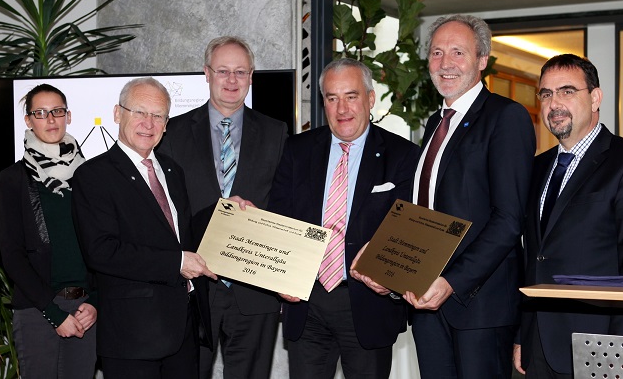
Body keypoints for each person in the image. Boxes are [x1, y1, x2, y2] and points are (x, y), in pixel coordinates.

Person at [268, 58, 420, 379]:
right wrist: (279, 275)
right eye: (332, 98)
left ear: (370, 98)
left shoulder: (403, 155)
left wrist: (391, 277)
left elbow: (409, 231)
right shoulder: (296, 149)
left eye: (351, 96)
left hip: (367, 304)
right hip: (306, 303)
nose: (342, 108)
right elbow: (279, 217)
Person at [403, 14, 536, 378]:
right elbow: (426, 210)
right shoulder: (435, 123)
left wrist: (451, 282)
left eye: (458, 52)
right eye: (437, 52)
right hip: (426, 304)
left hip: (479, 308)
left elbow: (508, 221)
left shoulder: (506, 118)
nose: (445, 63)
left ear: (481, 61)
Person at [157, 35, 287, 379]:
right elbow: (165, 209)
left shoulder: (276, 132)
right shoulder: (174, 133)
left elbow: (285, 204)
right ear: (207, 73)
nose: (232, 81)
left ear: (251, 76)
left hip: (256, 289)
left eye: (240, 72)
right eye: (223, 71)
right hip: (195, 288)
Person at [513, 54, 623, 378]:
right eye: (546, 94)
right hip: (538, 346)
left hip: (600, 348)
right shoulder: (535, 167)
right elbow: (533, 257)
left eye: (567, 91)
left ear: (595, 97)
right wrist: (522, 334)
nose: (554, 103)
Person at [71, 77, 215, 379]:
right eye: (139, 112)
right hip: (132, 338)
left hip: (184, 330)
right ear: (117, 114)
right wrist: (177, 263)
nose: (148, 123)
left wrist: (227, 213)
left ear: (166, 124)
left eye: (158, 115)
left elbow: (179, 232)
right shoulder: (93, 175)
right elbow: (101, 251)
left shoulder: (173, 171)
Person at [0, 84, 97, 378]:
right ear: (28, 120)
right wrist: (54, 314)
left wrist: (95, 303)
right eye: (40, 113)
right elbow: (12, 256)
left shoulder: (88, 175)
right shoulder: (12, 179)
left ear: (68, 116)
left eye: (57, 111)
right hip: (38, 309)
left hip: (84, 310)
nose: (50, 119)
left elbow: (101, 245)